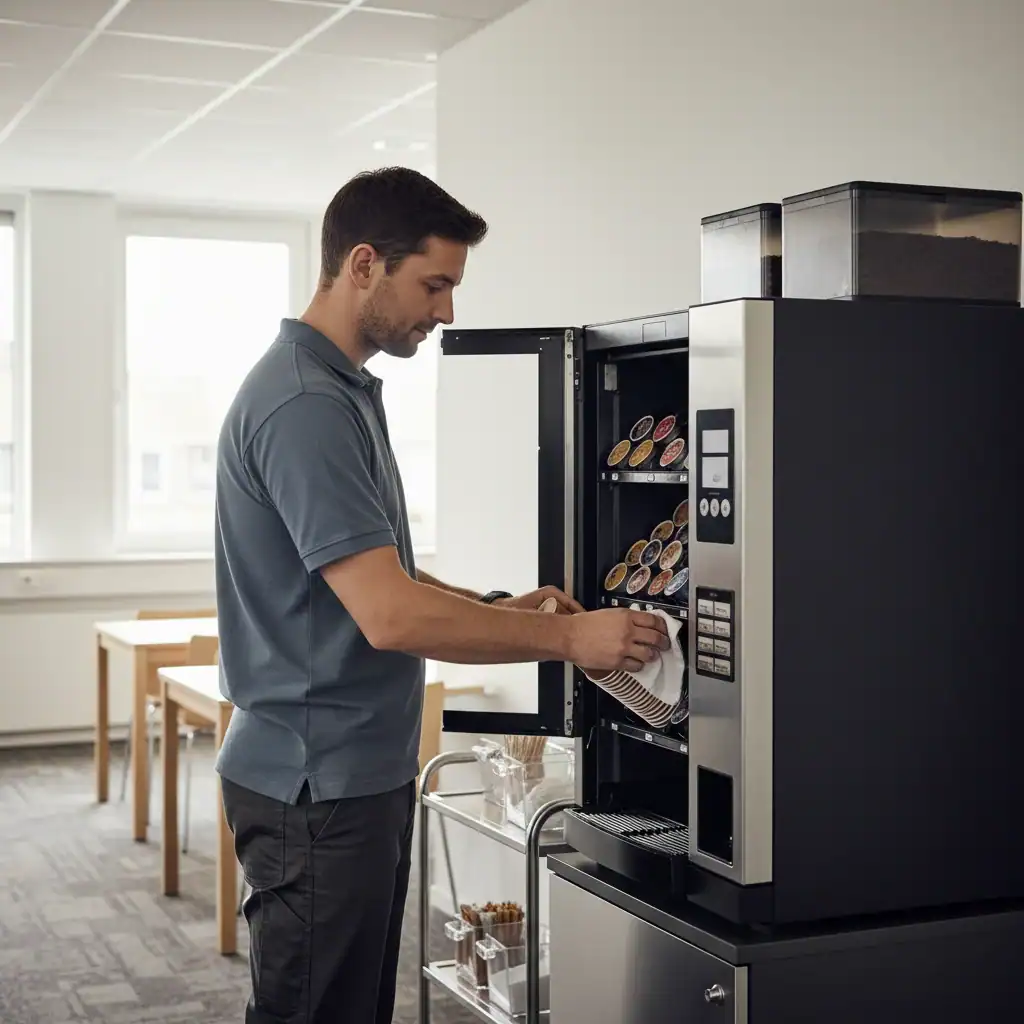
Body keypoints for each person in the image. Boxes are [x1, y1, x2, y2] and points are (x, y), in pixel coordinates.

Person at [213, 166, 671, 1024]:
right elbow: (389, 616)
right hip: (319, 784)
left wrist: (508, 609)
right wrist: (572, 642)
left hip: (346, 772)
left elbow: (383, 573)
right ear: (362, 265)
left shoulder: (336, 391)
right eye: (435, 284)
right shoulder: (305, 404)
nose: (446, 311)